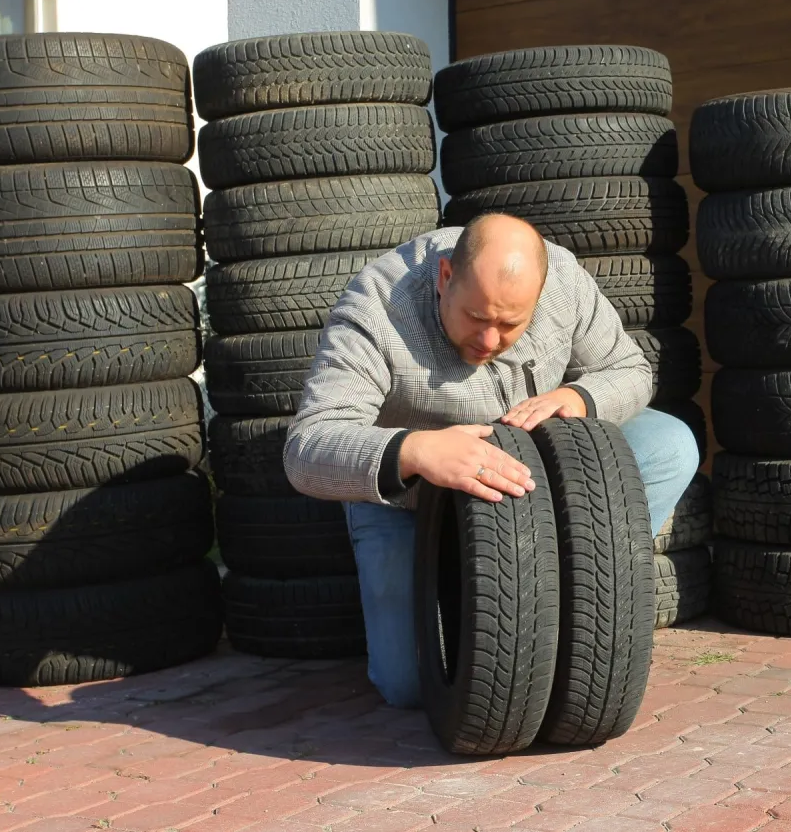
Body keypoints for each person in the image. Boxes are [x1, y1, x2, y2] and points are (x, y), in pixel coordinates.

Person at [283, 213, 700, 708]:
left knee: (670, 445)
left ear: (540, 295)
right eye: (475, 319)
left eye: (509, 325)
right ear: (444, 279)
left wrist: (581, 397)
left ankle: (584, 590)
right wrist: (415, 449)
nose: (487, 341)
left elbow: (629, 368)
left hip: (541, 472)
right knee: (410, 684)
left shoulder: (563, 280)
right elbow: (306, 447)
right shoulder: (376, 307)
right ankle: (477, 587)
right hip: (414, 500)